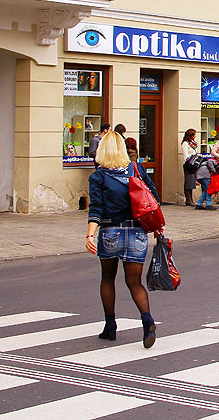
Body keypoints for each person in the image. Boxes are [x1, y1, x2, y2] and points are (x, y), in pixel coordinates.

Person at [85, 131, 158, 349]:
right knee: (134, 282)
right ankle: (147, 320)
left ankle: (110, 326)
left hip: (110, 231)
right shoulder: (136, 169)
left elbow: (96, 208)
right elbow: (152, 196)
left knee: (107, 278)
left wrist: (90, 233)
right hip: (136, 231)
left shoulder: (98, 176)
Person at [181, 128, 198, 206]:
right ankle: (188, 199)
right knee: (188, 182)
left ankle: (191, 199)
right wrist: (189, 162)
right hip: (188, 164)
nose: (195, 136)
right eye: (194, 135)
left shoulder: (193, 143)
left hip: (193, 164)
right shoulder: (185, 143)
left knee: (192, 182)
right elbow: (185, 155)